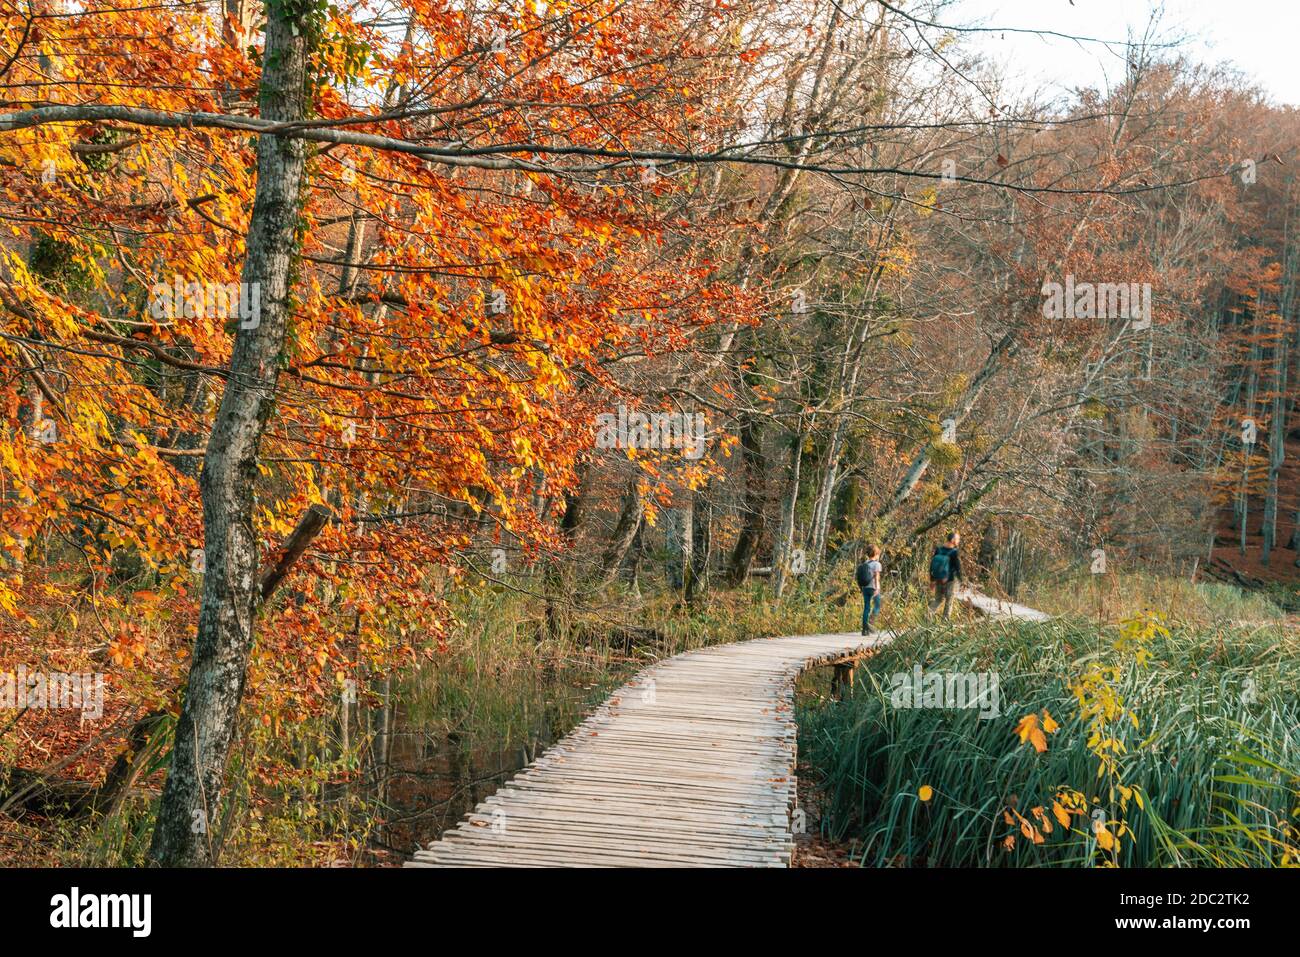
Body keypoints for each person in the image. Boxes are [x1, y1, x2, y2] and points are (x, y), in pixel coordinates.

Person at [928, 531, 963, 620]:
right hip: (950, 581)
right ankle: (945, 621)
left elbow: (932, 565)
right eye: (957, 539)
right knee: (949, 601)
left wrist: (932, 580)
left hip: (938, 579)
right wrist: (961, 580)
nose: (958, 541)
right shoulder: (954, 552)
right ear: (952, 540)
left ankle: (928, 616)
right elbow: (958, 568)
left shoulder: (938, 549)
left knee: (938, 600)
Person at [855, 544, 883, 635]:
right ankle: (870, 624)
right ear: (875, 554)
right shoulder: (877, 564)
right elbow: (876, 578)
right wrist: (877, 588)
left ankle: (864, 630)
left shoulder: (865, 564)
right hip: (873, 588)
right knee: (877, 605)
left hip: (865, 588)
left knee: (866, 608)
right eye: (878, 554)